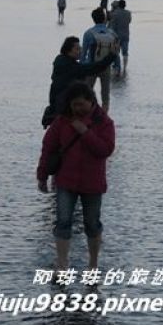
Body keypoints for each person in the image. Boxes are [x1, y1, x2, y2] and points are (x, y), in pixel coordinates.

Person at [37, 82, 115, 274]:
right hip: (66, 181)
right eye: (74, 105)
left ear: (91, 102)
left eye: (81, 104)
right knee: (63, 222)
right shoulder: (62, 121)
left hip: (93, 183)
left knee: (92, 224)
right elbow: (48, 148)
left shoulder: (104, 122)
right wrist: (42, 175)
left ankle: (93, 264)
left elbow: (105, 150)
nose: (77, 109)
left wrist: (85, 133)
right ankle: (62, 265)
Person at [46, 36, 116, 125]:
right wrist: (111, 55)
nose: (80, 51)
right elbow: (92, 68)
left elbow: (88, 67)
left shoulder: (61, 60)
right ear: (69, 50)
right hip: (64, 108)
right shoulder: (69, 66)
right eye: (77, 49)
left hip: (59, 105)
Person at [81, 8, 120, 113]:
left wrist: (81, 70)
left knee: (86, 94)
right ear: (104, 19)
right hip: (106, 67)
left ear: (93, 19)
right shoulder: (112, 33)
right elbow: (116, 52)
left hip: (91, 66)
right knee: (105, 95)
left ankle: (89, 115)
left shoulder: (88, 33)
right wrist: (117, 66)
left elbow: (83, 54)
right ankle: (104, 118)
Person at [107, 0, 132, 77]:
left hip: (116, 36)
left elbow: (112, 26)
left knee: (116, 52)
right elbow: (129, 21)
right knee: (125, 52)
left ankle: (117, 68)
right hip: (126, 35)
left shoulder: (114, 14)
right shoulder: (128, 13)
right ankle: (124, 68)